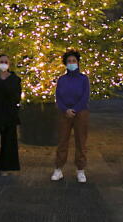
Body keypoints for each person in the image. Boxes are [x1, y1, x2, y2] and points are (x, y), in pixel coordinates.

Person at [51, 50, 90, 183]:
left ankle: (80, 170)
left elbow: (85, 96)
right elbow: (58, 97)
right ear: (65, 64)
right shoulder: (62, 79)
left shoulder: (84, 79)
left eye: (74, 61)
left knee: (81, 141)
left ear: (78, 63)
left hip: (81, 112)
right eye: (69, 61)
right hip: (64, 113)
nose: (72, 63)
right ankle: (58, 169)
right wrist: (65, 109)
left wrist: (75, 109)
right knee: (62, 141)